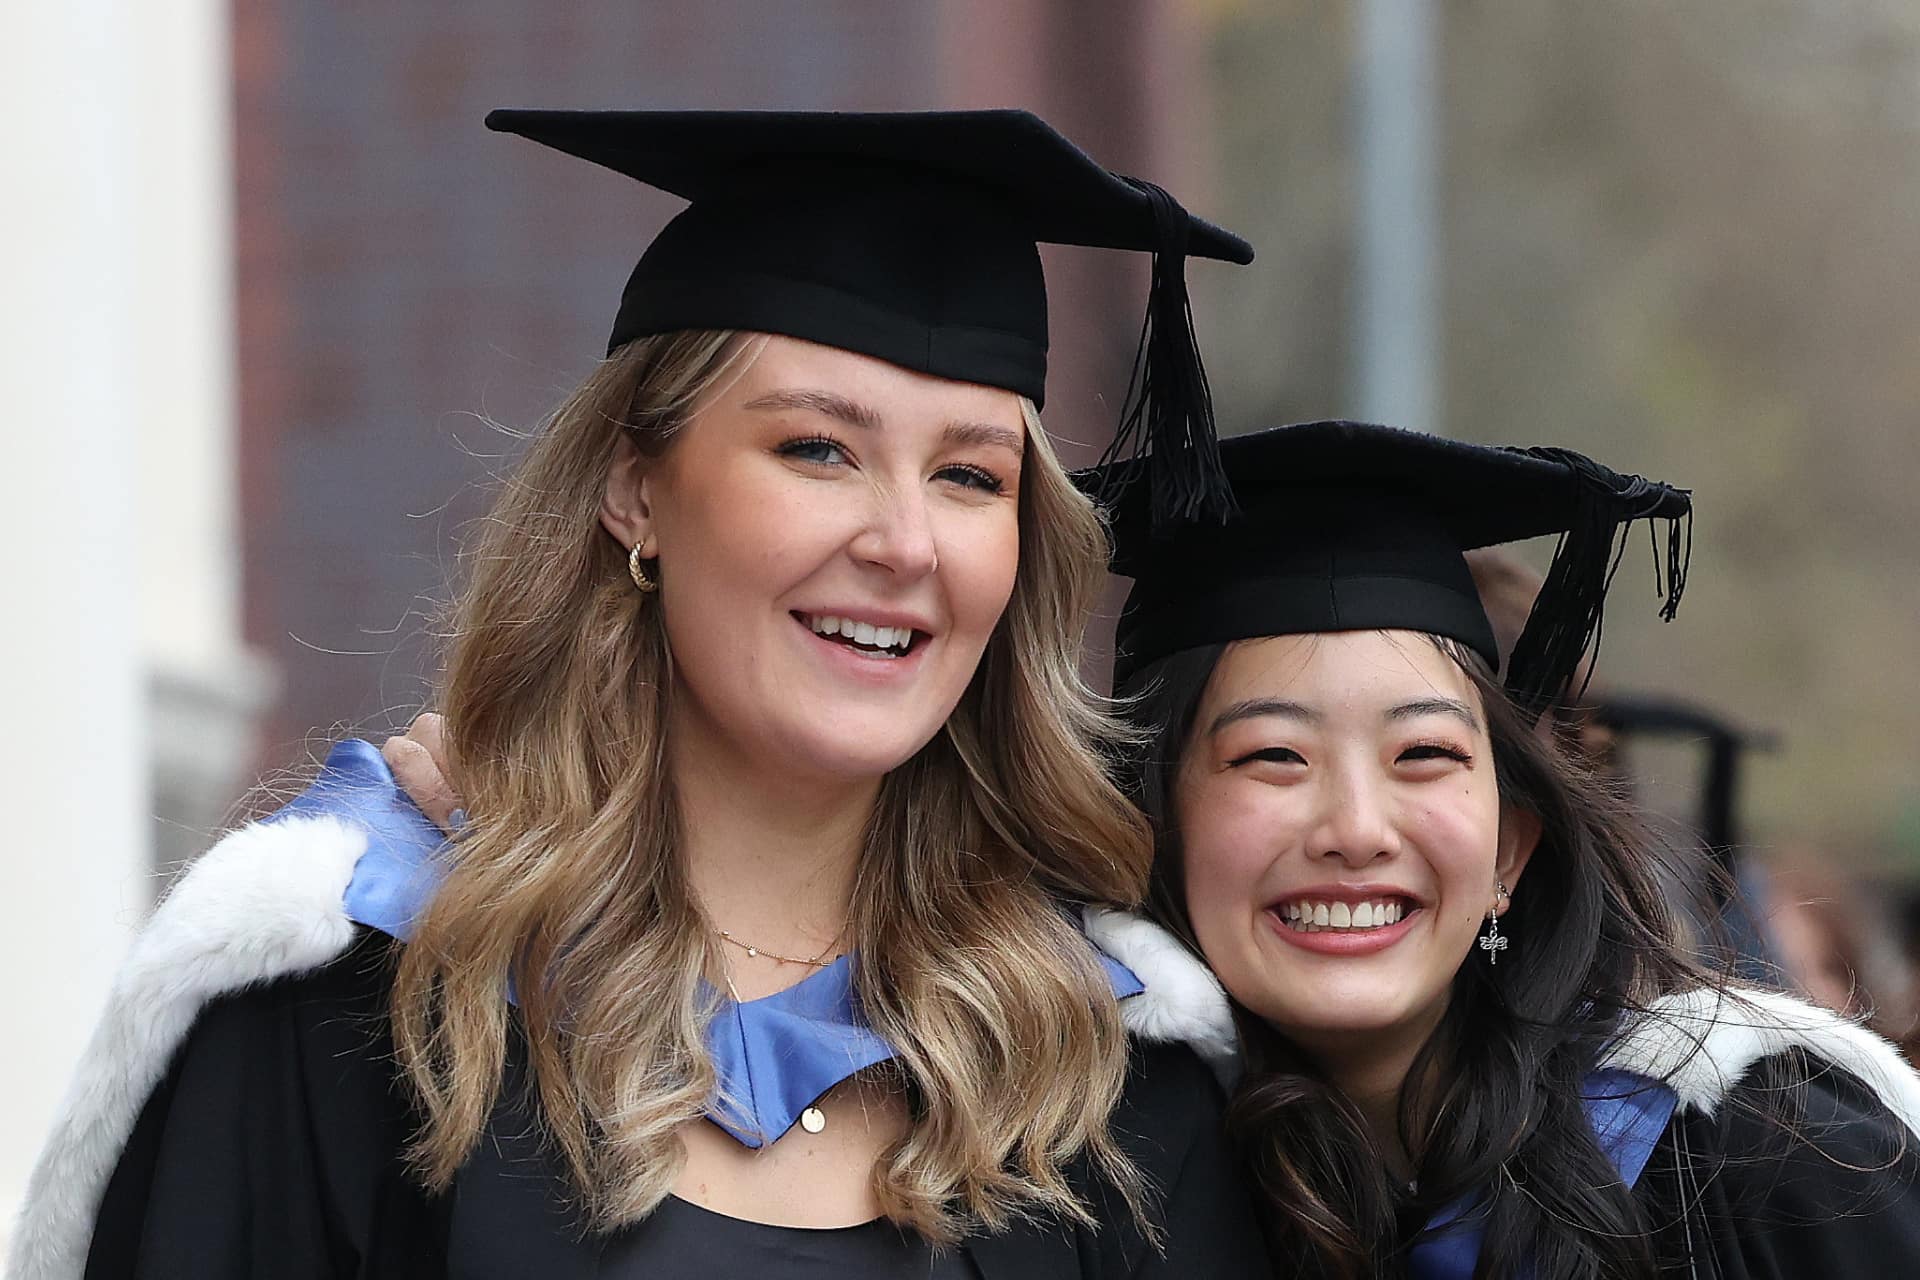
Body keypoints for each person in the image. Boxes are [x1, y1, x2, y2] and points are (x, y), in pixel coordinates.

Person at [5, 110, 1266, 1279]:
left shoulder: (1106, 1075)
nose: (906, 542)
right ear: (636, 490)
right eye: (817, 448)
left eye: (971, 476)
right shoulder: (351, 1011)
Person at [1080, 421, 1920, 1275]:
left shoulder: (1768, 1167)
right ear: (1147, 828)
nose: (1358, 831)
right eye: (1274, 757)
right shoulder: (1092, 1205)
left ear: (1510, 852)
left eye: (1424, 756)